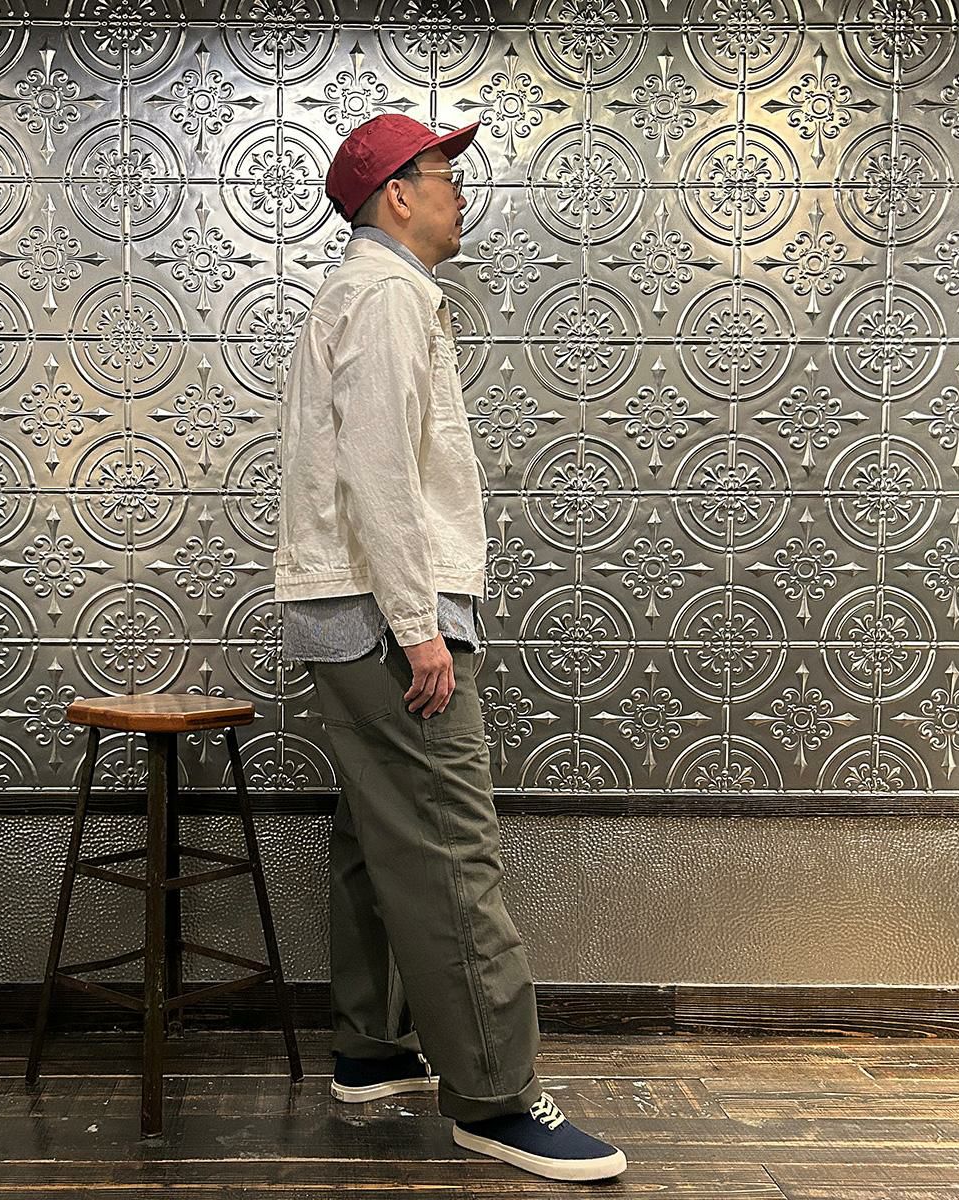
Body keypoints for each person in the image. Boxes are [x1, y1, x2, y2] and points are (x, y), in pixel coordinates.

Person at [272, 112, 628, 1184]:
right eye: (446, 175)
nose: (460, 194)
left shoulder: (362, 294)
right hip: (387, 618)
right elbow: (379, 472)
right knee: (449, 849)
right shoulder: (386, 298)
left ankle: (372, 1051)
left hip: (349, 613)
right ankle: (495, 1098)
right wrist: (419, 624)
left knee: (377, 836)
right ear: (398, 194)